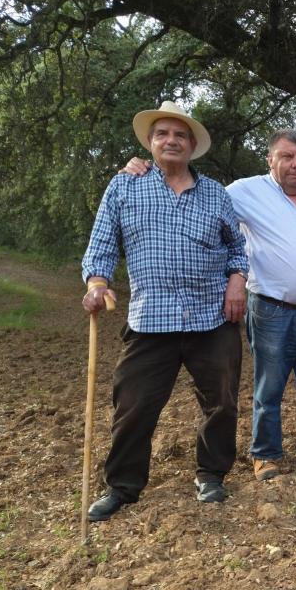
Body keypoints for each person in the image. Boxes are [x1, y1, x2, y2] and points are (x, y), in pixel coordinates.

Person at [120, 130, 296, 490]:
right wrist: (146, 167)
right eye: (286, 156)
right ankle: (266, 455)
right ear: (270, 160)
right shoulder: (242, 191)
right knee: (269, 389)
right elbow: (199, 199)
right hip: (272, 309)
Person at [82, 101, 249, 521]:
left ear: (192, 145)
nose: (171, 141)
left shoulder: (214, 192)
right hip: (150, 318)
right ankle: (122, 485)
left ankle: (211, 474)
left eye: (180, 135)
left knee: (222, 402)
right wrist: (97, 285)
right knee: (133, 404)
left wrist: (236, 281)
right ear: (151, 143)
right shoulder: (124, 186)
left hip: (211, 316)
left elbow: (236, 248)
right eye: (162, 135)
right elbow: (101, 247)